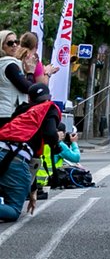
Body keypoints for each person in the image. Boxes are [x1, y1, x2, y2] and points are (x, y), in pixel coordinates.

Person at [0, 84, 61, 223]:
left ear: (29, 99)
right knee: (13, 209)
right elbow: (50, 134)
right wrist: (57, 145)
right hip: (17, 158)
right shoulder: (49, 108)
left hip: (3, 148)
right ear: (49, 97)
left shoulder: (22, 110)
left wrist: (32, 190)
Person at [0, 31, 30, 121]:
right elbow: (27, 88)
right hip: (8, 114)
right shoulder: (9, 65)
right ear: (1, 46)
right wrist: (31, 73)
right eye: (10, 43)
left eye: (16, 42)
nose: (14, 45)